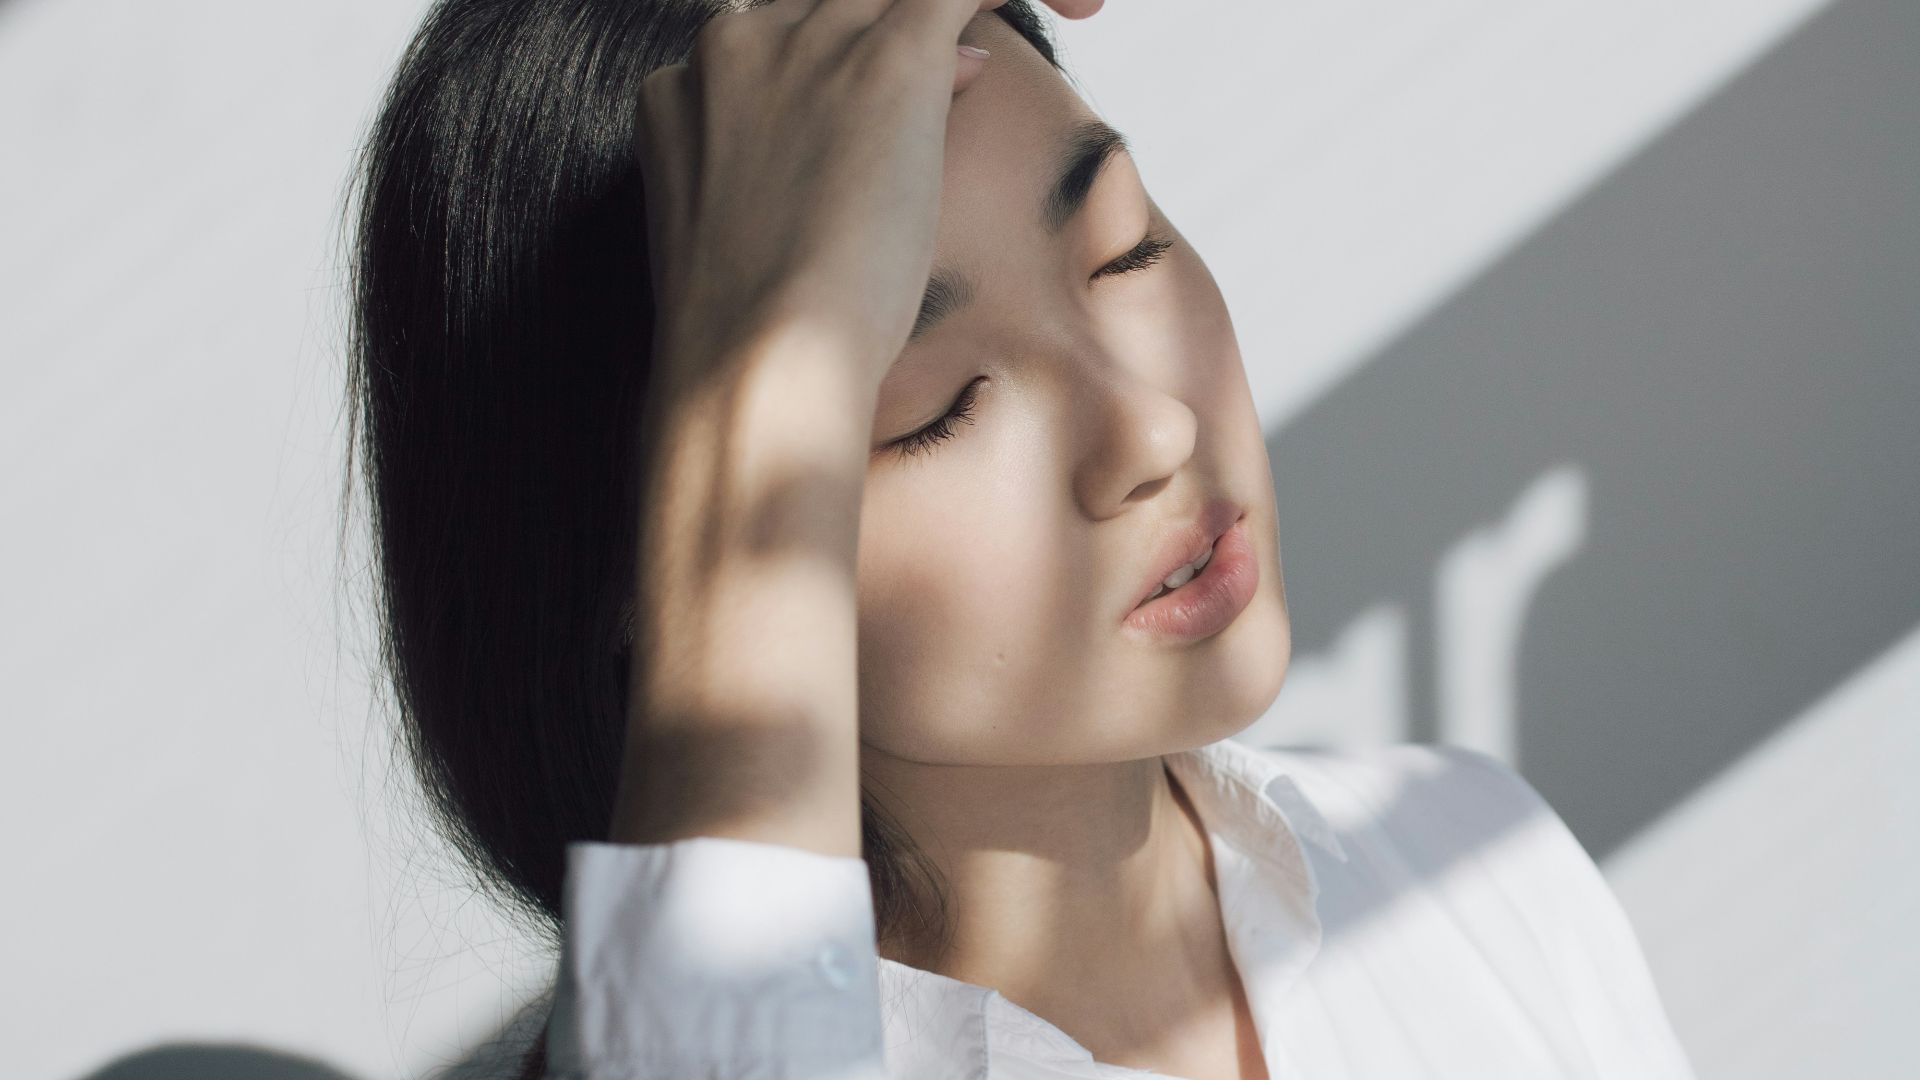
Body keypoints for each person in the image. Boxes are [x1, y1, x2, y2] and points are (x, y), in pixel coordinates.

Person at [342, 0, 1698, 1076]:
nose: (1151, 429)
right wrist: (764, 375)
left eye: (1123, 249)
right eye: (935, 408)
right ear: (661, 547)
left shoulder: (1473, 868)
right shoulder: (710, 1042)